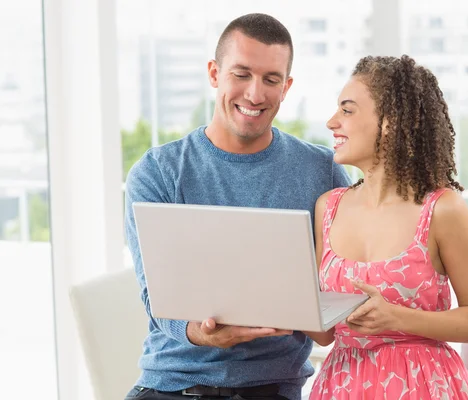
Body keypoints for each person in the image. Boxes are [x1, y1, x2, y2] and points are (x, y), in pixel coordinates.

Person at [123, 13, 351, 400]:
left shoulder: (323, 174)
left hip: (270, 387)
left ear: (287, 86)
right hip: (172, 384)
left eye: (271, 79)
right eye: (241, 74)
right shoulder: (157, 171)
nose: (255, 94)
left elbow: (338, 291)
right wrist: (200, 331)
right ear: (215, 73)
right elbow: (157, 300)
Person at [305, 55, 468, 400]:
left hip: (421, 384)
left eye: (347, 111)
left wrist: (396, 317)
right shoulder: (327, 208)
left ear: (390, 121)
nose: (332, 122)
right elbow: (323, 335)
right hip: (340, 385)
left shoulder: (441, 209)